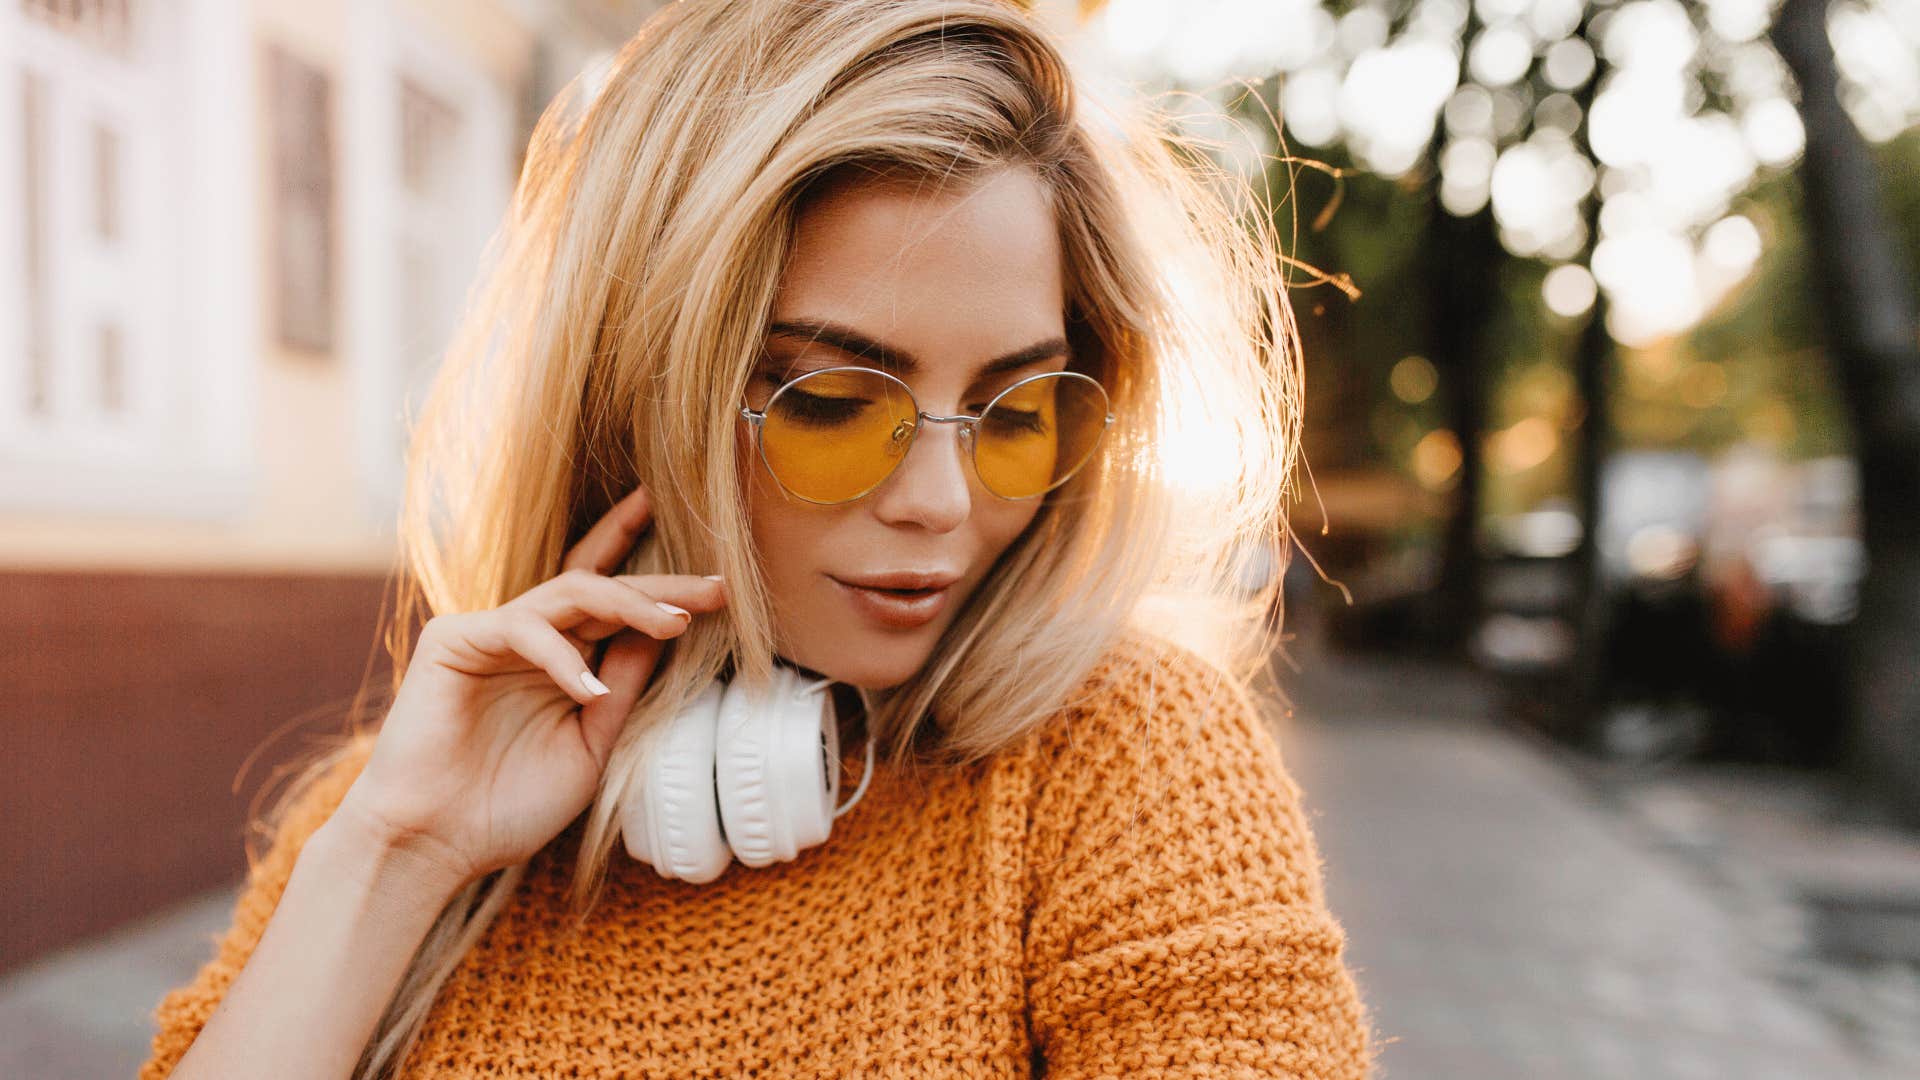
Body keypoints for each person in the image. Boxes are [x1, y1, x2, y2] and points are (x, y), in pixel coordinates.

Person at [140, 1, 1375, 1076]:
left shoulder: (1122, 767)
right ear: (642, 395)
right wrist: (399, 855)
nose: (943, 503)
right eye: (835, 405)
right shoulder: (390, 807)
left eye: (1016, 410)